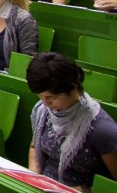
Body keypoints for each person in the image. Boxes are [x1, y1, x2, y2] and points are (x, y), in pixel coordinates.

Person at [26, 52, 117, 190]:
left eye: (52, 97)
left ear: (73, 88)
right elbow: (34, 147)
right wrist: (33, 178)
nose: (45, 104)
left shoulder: (102, 130)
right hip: (44, 186)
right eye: (41, 97)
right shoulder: (44, 112)